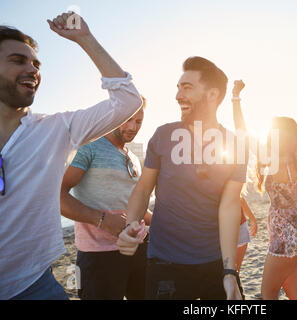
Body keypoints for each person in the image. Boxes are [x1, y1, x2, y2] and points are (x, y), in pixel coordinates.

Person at [0, 12, 143, 300]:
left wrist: (85, 39)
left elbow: (127, 100)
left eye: (36, 64)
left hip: (33, 285)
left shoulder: (56, 129)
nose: (32, 70)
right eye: (18, 61)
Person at [117, 56, 247, 300]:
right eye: (178, 87)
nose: (178, 95)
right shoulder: (163, 135)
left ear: (212, 94)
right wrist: (129, 227)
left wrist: (230, 271)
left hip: (214, 263)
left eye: (187, 87)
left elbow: (230, 205)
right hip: (164, 264)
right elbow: (143, 190)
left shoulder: (236, 144)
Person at [60, 100, 151, 300]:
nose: (132, 127)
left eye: (138, 121)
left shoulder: (134, 158)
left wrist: (168, 220)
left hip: (139, 246)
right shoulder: (88, 147)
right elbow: (57, 195)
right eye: (127, 119)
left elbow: (133, 205)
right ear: (114, 115)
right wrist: (101, 219)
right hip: (99, 256)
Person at [256, 117, 297, 300]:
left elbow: (243, 136)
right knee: (293, 289)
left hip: (286, 234)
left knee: (268, 293)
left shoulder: (275, 162)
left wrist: (235, 99)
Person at [231, 80, 258, 274]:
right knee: (229, 278)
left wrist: (235, 97)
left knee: (233, 277)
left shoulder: (234, 164)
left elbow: (241, 129)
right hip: (216, 231)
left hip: (238, 227)